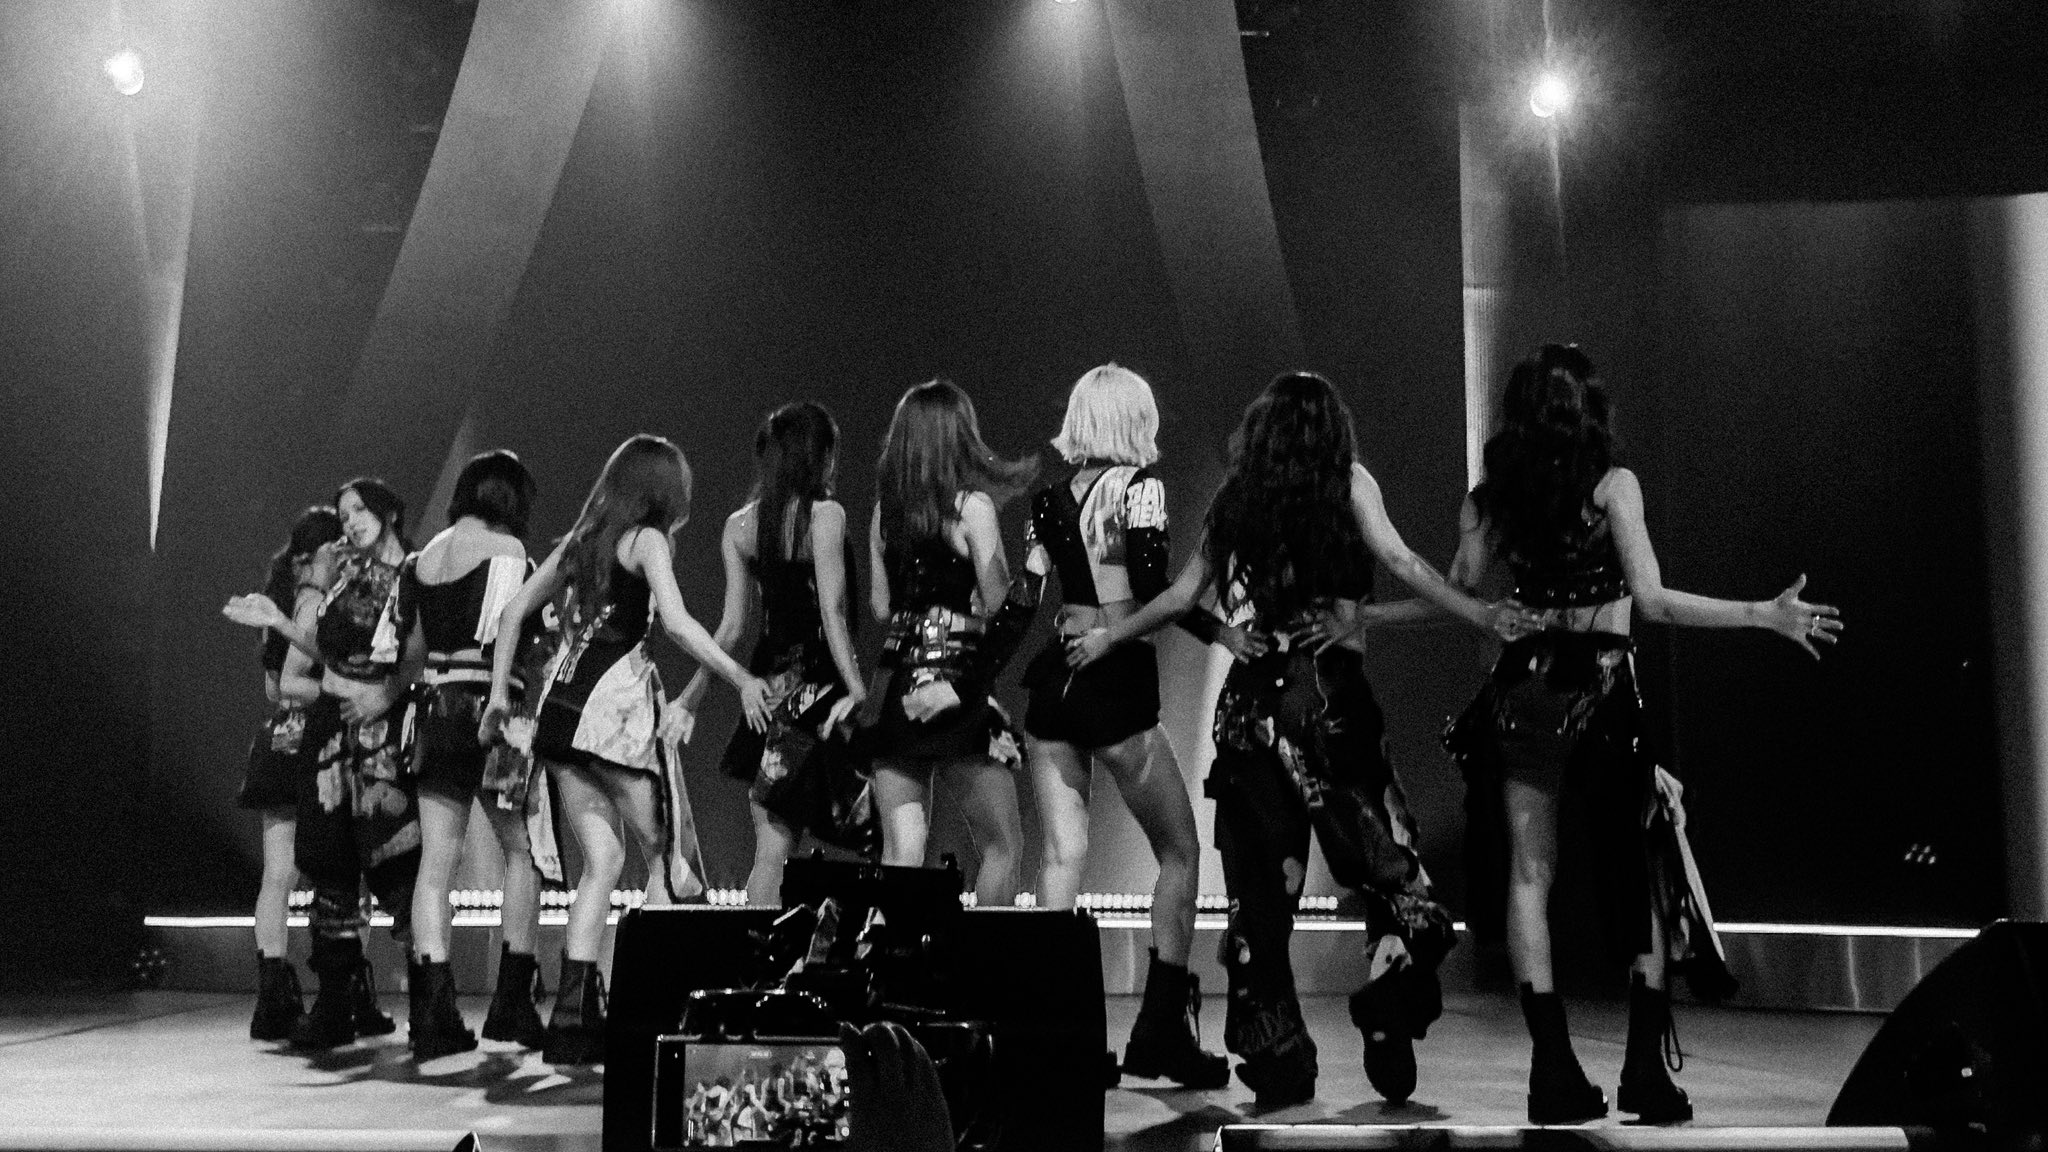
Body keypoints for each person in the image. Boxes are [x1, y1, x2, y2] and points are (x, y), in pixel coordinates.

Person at [1071, 371, 1532, 1107]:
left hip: (1248, 710)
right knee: (1387, 863)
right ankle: (1389, 998)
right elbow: (1403, 562)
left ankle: (1277, 1055)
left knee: (1260, 895)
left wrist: (1118, 636)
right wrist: (1479, 615)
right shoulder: (1349, 483)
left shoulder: (1237, 496)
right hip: (1326, 701)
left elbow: (1182, 596)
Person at [1439, 344, 1840, 1124]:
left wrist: (1486, 609)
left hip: (1524, 693)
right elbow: (1651, 602)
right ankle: (1644, 1075)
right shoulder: (1612, 487)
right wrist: (1762, 615)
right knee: (1639, 875)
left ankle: (1552, 1072)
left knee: (1530, 876)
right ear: (1589, 410)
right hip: (1601, 696)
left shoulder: (1490, 500)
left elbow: (1460, 585)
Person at [482, 434, 771, 1064]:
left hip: (560, 715)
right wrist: (740, 676)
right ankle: (655, 1008)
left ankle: (573, 1020)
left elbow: (511, 614)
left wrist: (500, 694)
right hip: (611, 713)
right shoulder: (647, 541)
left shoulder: (582, 539)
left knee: (604, 862)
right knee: (669, 859)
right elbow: (678, 622)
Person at [1017, 364, 1225, 1089]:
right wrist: (1223, 634)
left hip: (1055, 685)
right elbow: (1154, 584)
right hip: (1115, 684)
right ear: (1136, 419)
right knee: (1180, 850)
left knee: (1060, 860)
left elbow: (1024, 599)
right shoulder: (1142, 490)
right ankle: (1159, 1032)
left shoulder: (1046, 501)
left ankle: (1051, 1038)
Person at [388, 450, 549, 1059]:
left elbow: (411, 651)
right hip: (492, 716)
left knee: (437, 862)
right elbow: (505, 629)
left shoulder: (423, 559)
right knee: (523, 851)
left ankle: (432, 1013)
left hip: (434, 711)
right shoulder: (508, 552)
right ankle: (512, 1003)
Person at [690, 402, 870, 907]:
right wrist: (858, 689)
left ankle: (759, 951)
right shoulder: (826, 516)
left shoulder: (739, 526)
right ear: (819, 455)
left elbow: (731, 627)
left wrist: (693, 695)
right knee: (882, 830)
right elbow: (832, 612)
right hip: (821, 690)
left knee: (770, 852)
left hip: (770, 695)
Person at [865, 380, 1036, 908]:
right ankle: (982, 959)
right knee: (1002, 844)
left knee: (902, 850)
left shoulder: (884, 513)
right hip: (955, 684)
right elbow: (1001, 604)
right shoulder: (971, 508)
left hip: (894, 685)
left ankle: (891, 958)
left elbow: (880, 606)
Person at [288, 478, 420, 1048]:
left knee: (399, 865)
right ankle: (334, 1004)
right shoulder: (344, 577)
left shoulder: (414, 572)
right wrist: (290, 610)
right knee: (331, 864)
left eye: (361, 510)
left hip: (384, 734)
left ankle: (429, 1005)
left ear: (388, 511)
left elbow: (420, 653)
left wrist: (385, 694)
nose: (351, 522)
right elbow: (312, 654)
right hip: (331, 735)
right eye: (343, 515)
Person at [234, 505, 342, 1042]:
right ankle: (342, 990)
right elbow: (298, 683)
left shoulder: (275, 600)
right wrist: (347, 689)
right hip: (312, 745)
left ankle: (271, 995)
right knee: (335, 872)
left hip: (277, 741)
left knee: (278, 875)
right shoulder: (315, 604)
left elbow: (274, 690)